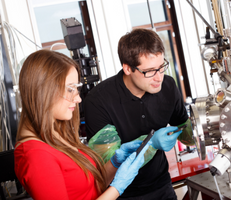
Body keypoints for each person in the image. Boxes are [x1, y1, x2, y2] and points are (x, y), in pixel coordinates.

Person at [14, 49, 151, 200]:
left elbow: (87, 189)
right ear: (43, 91)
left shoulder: (55, 136)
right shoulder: (36, 156)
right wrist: (117, 188)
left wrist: (114, 163)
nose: (78, 98)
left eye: (76, 88)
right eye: (70, 89)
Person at [84, 28, 191, 200]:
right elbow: (106, 170)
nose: (159, 78)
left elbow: (185, 131)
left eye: (162, 66)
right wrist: (151, 144)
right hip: (121, 193)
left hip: (162, 185)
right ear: (128, 68)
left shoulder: (168, 87)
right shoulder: (98, 101)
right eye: (149, 71)